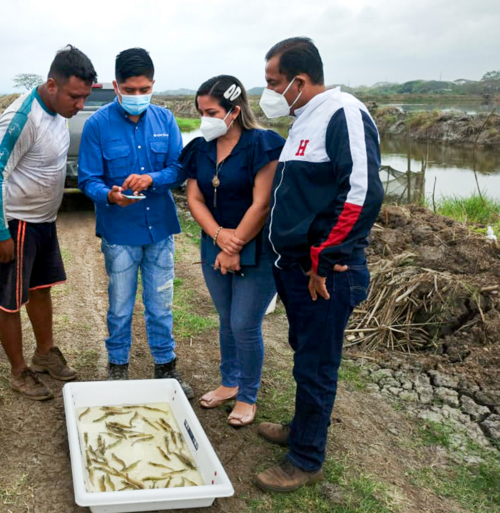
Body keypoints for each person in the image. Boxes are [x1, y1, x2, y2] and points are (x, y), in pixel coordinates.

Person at [253, 37, 383, 492]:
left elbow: (362, 192)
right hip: (294, 270)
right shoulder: (303, 120)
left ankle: (306, 459)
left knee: (317, 364)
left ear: (299, 81)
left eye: (272, 82)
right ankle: (300, 428)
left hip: (323, 276)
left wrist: (326, 261)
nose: (267, 91)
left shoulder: (342, 112)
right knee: (305, 354)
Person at [0, 45, 97, 400]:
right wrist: (0, 232)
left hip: (43, 222)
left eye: (85, 98)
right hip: (15, 224)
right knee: (9, 300)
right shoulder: (22, 118)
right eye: (75, 96)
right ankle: (19, 371)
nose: (80, 106)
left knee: (40, 288)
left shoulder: (58, 114)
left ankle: (44, 353)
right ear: (51, 85)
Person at [78, 48, 192, 398]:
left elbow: (179, 168)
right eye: (131, 89)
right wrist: (110, 195)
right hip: (120, 232)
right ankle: (117, 369)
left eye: (144, 89)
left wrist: (153, 179)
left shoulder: (166, 120)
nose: (138, 96)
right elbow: (87, 179)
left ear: (153, 85)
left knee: (161, 303)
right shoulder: (97, 125)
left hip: (160, 228)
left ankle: (165, 368)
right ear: (116, 86)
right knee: (120, 304)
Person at [181, 75, 284, 426]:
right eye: (200, 112)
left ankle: (248, 395)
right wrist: (218, 237)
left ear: (235, 111)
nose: (204, 119)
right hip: (215, 244)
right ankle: (229, 382)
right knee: (226, 319)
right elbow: (194, 197)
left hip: (257, 247)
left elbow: (262, 203)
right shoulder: (200, 148)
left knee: (244, 323)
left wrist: (234, 243)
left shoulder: (263, 144)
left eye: (211, 112)